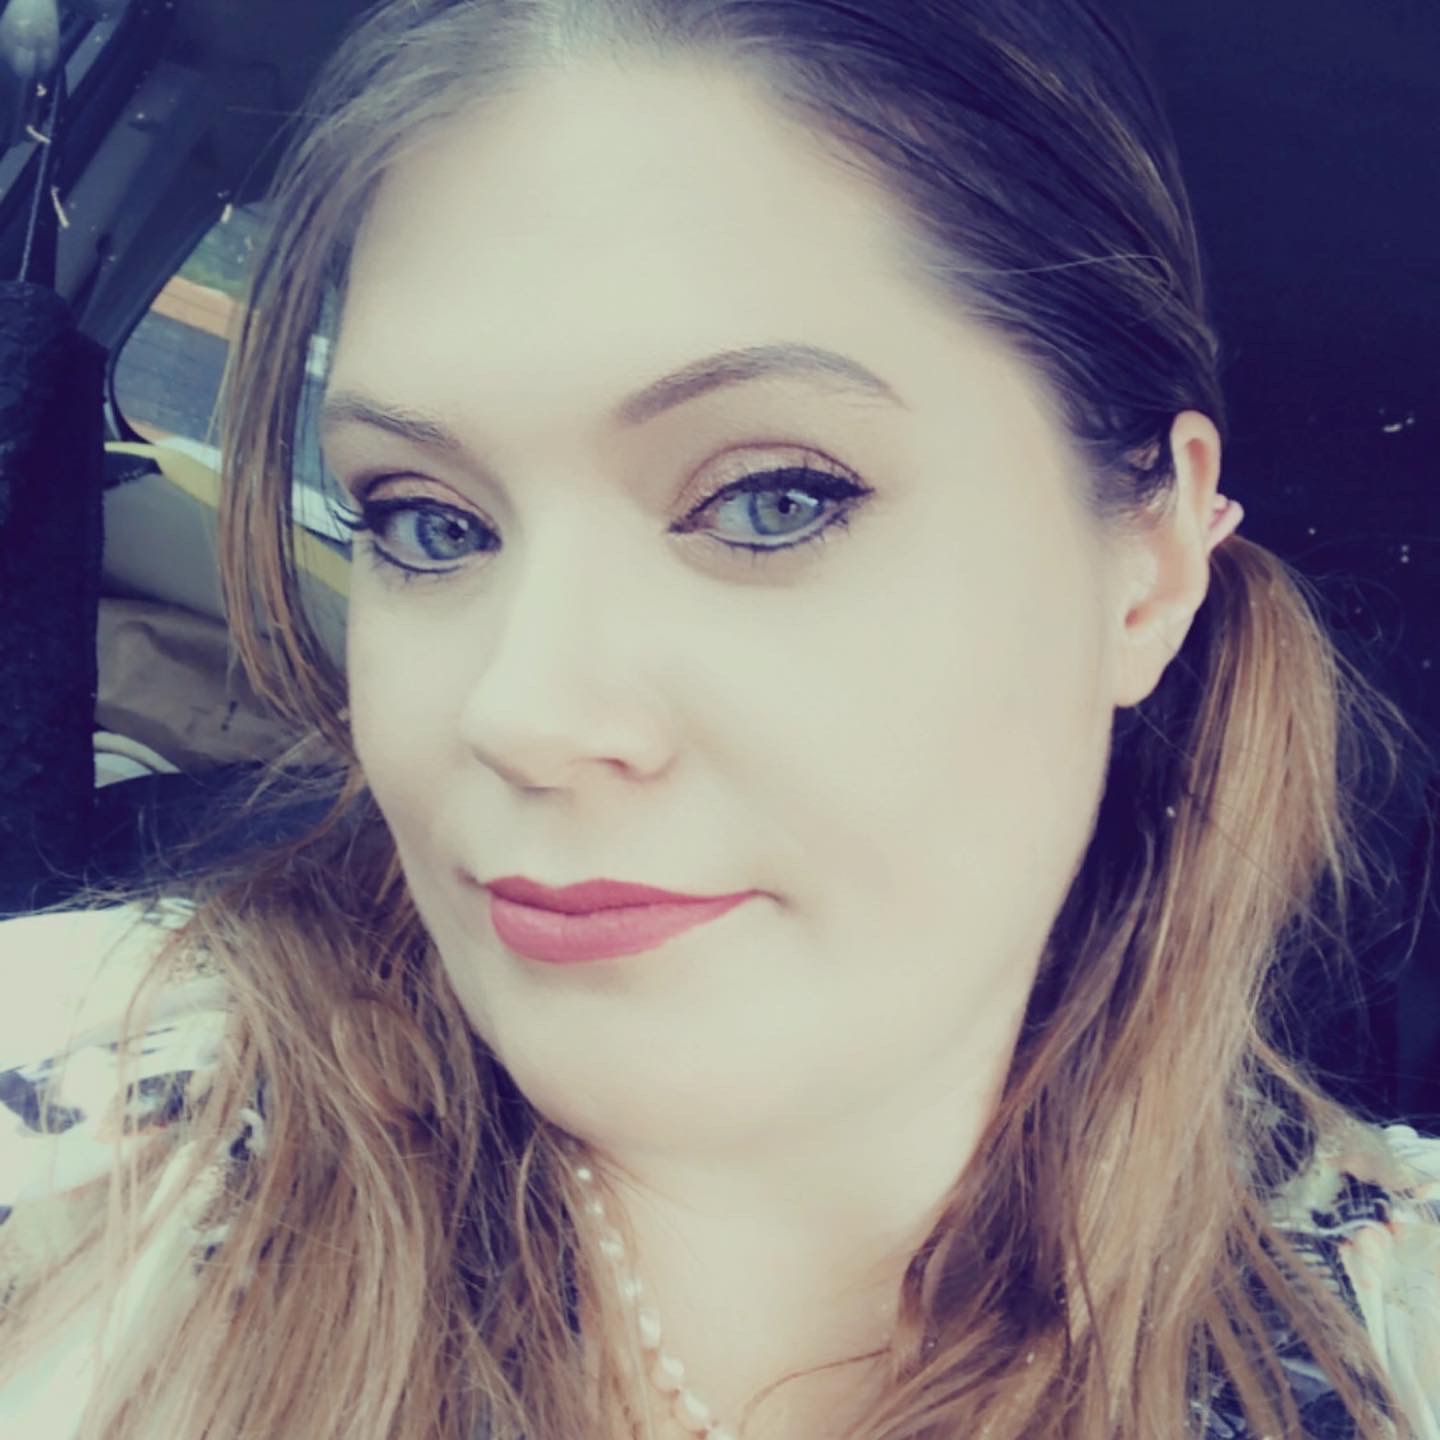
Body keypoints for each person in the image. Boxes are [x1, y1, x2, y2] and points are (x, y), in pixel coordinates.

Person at [2, 1, 1437, 1437]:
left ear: (1151, 566)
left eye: (771, 500)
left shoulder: (1392, 1328)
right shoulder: (83, 1138)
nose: (522, 713)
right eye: (428, 522)